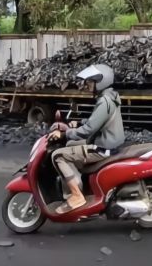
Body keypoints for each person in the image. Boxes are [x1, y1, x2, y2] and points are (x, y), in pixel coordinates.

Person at [49, 64, 124, 212]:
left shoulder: (104, 101)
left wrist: (63, 134)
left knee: (58, 155)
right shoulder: (111, 96)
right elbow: (97, 121)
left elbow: (88, 130)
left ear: (101, 82)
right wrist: (78, 123)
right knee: (70, 145)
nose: (87, 84)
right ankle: (80, 183)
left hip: (103, 147)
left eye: (90, 81)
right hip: (108, 141)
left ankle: (76, 195)